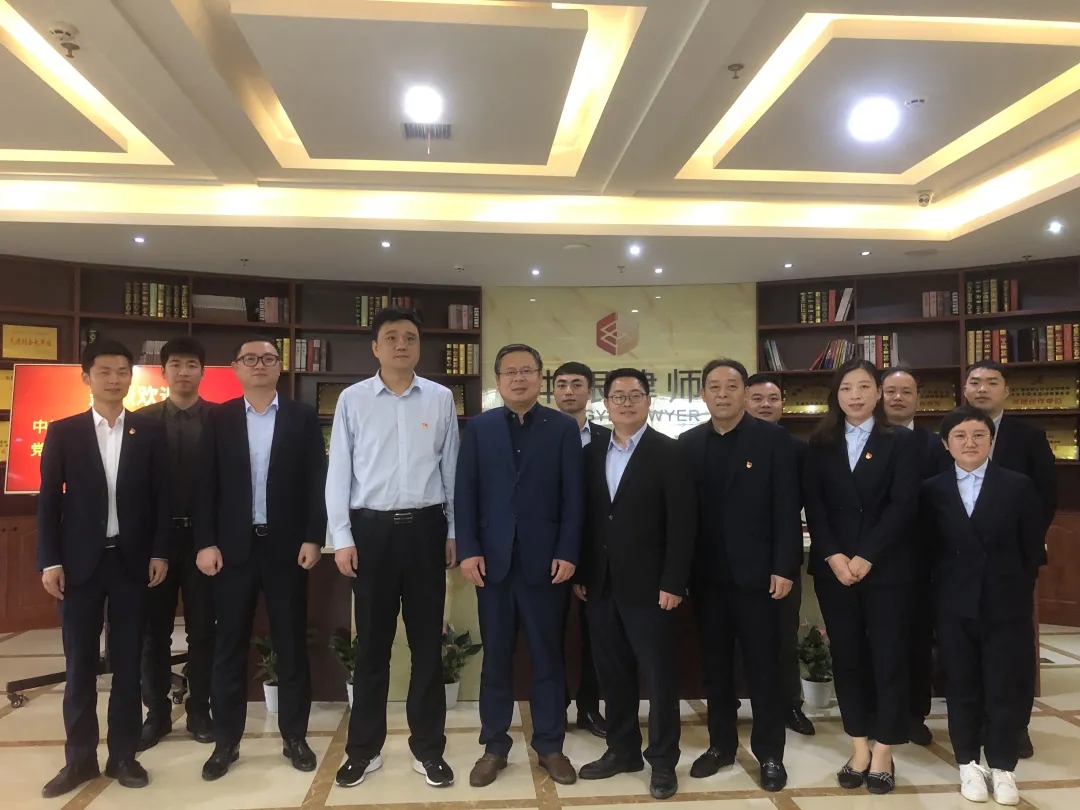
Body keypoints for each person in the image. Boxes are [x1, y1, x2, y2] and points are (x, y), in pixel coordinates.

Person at [327, 307, 458, 789]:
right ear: (375, 347)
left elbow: (451, 469)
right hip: (371, 533)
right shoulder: (353, 399)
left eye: (410, 337)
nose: (401, 344)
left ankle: (429, 750)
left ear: (419, 346)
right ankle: (364, 750)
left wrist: (453, 531)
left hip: (426, 531)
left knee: (427, 646)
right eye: (391, 337)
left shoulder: (440, 398)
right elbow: (339, 470)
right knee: (372, 649)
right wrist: (342, 537)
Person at [37, 340, 171, 797]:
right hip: (79, 566)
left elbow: (162, 499)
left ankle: (123, 756)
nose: (115, 379)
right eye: (105, 371)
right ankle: (79, 761)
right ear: (86, 377)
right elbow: (48, 502)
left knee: (129, 663)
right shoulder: (64, 432)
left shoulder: (149, 431)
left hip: (132, 563)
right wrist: (50, 560)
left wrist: (160, 552)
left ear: (131, 377)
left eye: (122, 372)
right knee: (79, 666)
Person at [195, 338, 327, 781]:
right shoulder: (219, 418)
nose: (259, 365)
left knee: (291, 645)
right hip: (232, 551)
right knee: (229, 646)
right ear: (235, 367)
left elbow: (316, 480)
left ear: (278, 367)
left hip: (286, 549)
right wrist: (205, 542)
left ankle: (295, 737)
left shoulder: (301, 417)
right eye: (250, 359)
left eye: (268, 359)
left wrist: (314, 537)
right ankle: (226, 742)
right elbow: (204, 484)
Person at [455, 344, 583, 788]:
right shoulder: (480, 427)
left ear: (540, 377)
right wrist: (469, 549)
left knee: (548, 657)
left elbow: (574, 496)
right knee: (496, 658)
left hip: (546, 564)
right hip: (491, 564)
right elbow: (465, 492)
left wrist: (568, 551)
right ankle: (494, 746)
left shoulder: (562, 427)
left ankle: (550, 746)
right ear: (498, 381)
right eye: (510, 372)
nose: (519, 378)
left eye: (527, 370)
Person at [680, 361, 800, 792]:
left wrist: (784, 566)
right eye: (714, 387)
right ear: (703, 394)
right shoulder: (689, 443)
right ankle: (721, 746)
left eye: (731, 386)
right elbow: (683, 514)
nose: (722, 394)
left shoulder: (774, 440)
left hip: (761, 579)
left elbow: (787, 506)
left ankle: (770, 754)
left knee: (764, 668)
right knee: (715, 669)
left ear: (745, 393)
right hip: (707, 579)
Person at [576, 369, 696, 801]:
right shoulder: (591, 454)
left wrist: (674, 581)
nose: (626, 403)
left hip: (653, 588)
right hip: (601, 585)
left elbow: (684, 524)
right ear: (605, 404)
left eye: (634, 395)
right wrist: (584, 573)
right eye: (617, 396)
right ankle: (622, 750)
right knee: (613, 675)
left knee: (659, 679)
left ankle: (662, 761)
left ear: (648, 401)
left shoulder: (670, 453)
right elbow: (588, 519)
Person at [802, 359, 920, 795]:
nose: (855, 395)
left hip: (886, 567)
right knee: (847, 657)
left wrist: (867, 555)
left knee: (888, 656)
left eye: (864, 387)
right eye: (846, 388)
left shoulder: (901, 441)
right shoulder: (820, 443)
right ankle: (858, 747)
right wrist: (834, 556)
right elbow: (814, 505)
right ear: (836, 395)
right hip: (835, 571)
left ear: (878, 393)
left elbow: (904, 505)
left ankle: (884, 750)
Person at [920, 406, 1045, 806]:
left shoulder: (1017, 485)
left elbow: (1031, 551)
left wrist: (1013, 592)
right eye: (960, 436)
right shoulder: (932, 490)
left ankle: (1004, 766)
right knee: (961, 685)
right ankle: (968, 762)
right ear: (946, 444)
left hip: (1005, 604)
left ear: (991, 440)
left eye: (978, 435)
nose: (970, 443)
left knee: (1004, 685)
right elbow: (927, 551)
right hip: (953, 604)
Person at [963, 360, 1056, 760]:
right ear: (965, 389)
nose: (982, 389)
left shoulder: (1028, 437)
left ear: (1006, 391)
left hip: (1013, 563)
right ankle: (978, 721)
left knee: (1013, 647)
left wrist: (1021, 548)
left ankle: (1016, 725)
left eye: (991, 382)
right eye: (975, 382)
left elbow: (1046, 498)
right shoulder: (951, 433)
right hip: (963, 564)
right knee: (969, 646)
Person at [137, 337, 216, 751]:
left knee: (203, 630)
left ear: (203, 371)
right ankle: (157, 714)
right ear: (163, 371)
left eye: (191, 364)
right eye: (176, 364)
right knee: (154, 633)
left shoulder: (222, 420)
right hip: (157, 542)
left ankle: (200, 711)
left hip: (206, 542)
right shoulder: (142, 421)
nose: (184, 372)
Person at [880, 367, 949, 747]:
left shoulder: (933, 445)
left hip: (918, 561)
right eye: (890, 390)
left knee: (916, 640)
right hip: (872, 560)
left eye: (906, 391)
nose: (897, 398)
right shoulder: (863, 440)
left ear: (917, 399)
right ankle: (878, 713)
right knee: (878, 642)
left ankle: (913, 714)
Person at [745, 372, 815, 737]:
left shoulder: (798, 449)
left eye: (773, 399)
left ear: (783, 405)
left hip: (782, 559)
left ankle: (790, 705)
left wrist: (785, 562)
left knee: (784, 637)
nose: (765, 405)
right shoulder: (729, 442)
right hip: (734, 561)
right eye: (757, 398)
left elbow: (802, 506)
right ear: (744, 401)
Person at [551, 361, 608, 739]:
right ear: (553, 392)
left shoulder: (608, 438)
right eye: (561, 384)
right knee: (551, 634)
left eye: (577, 384)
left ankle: (590, 707)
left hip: (598, 553)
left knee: (595, 637)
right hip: (551, 554)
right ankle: (554, 708)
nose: (569, 391)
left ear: (590, 392)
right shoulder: (540, 434)